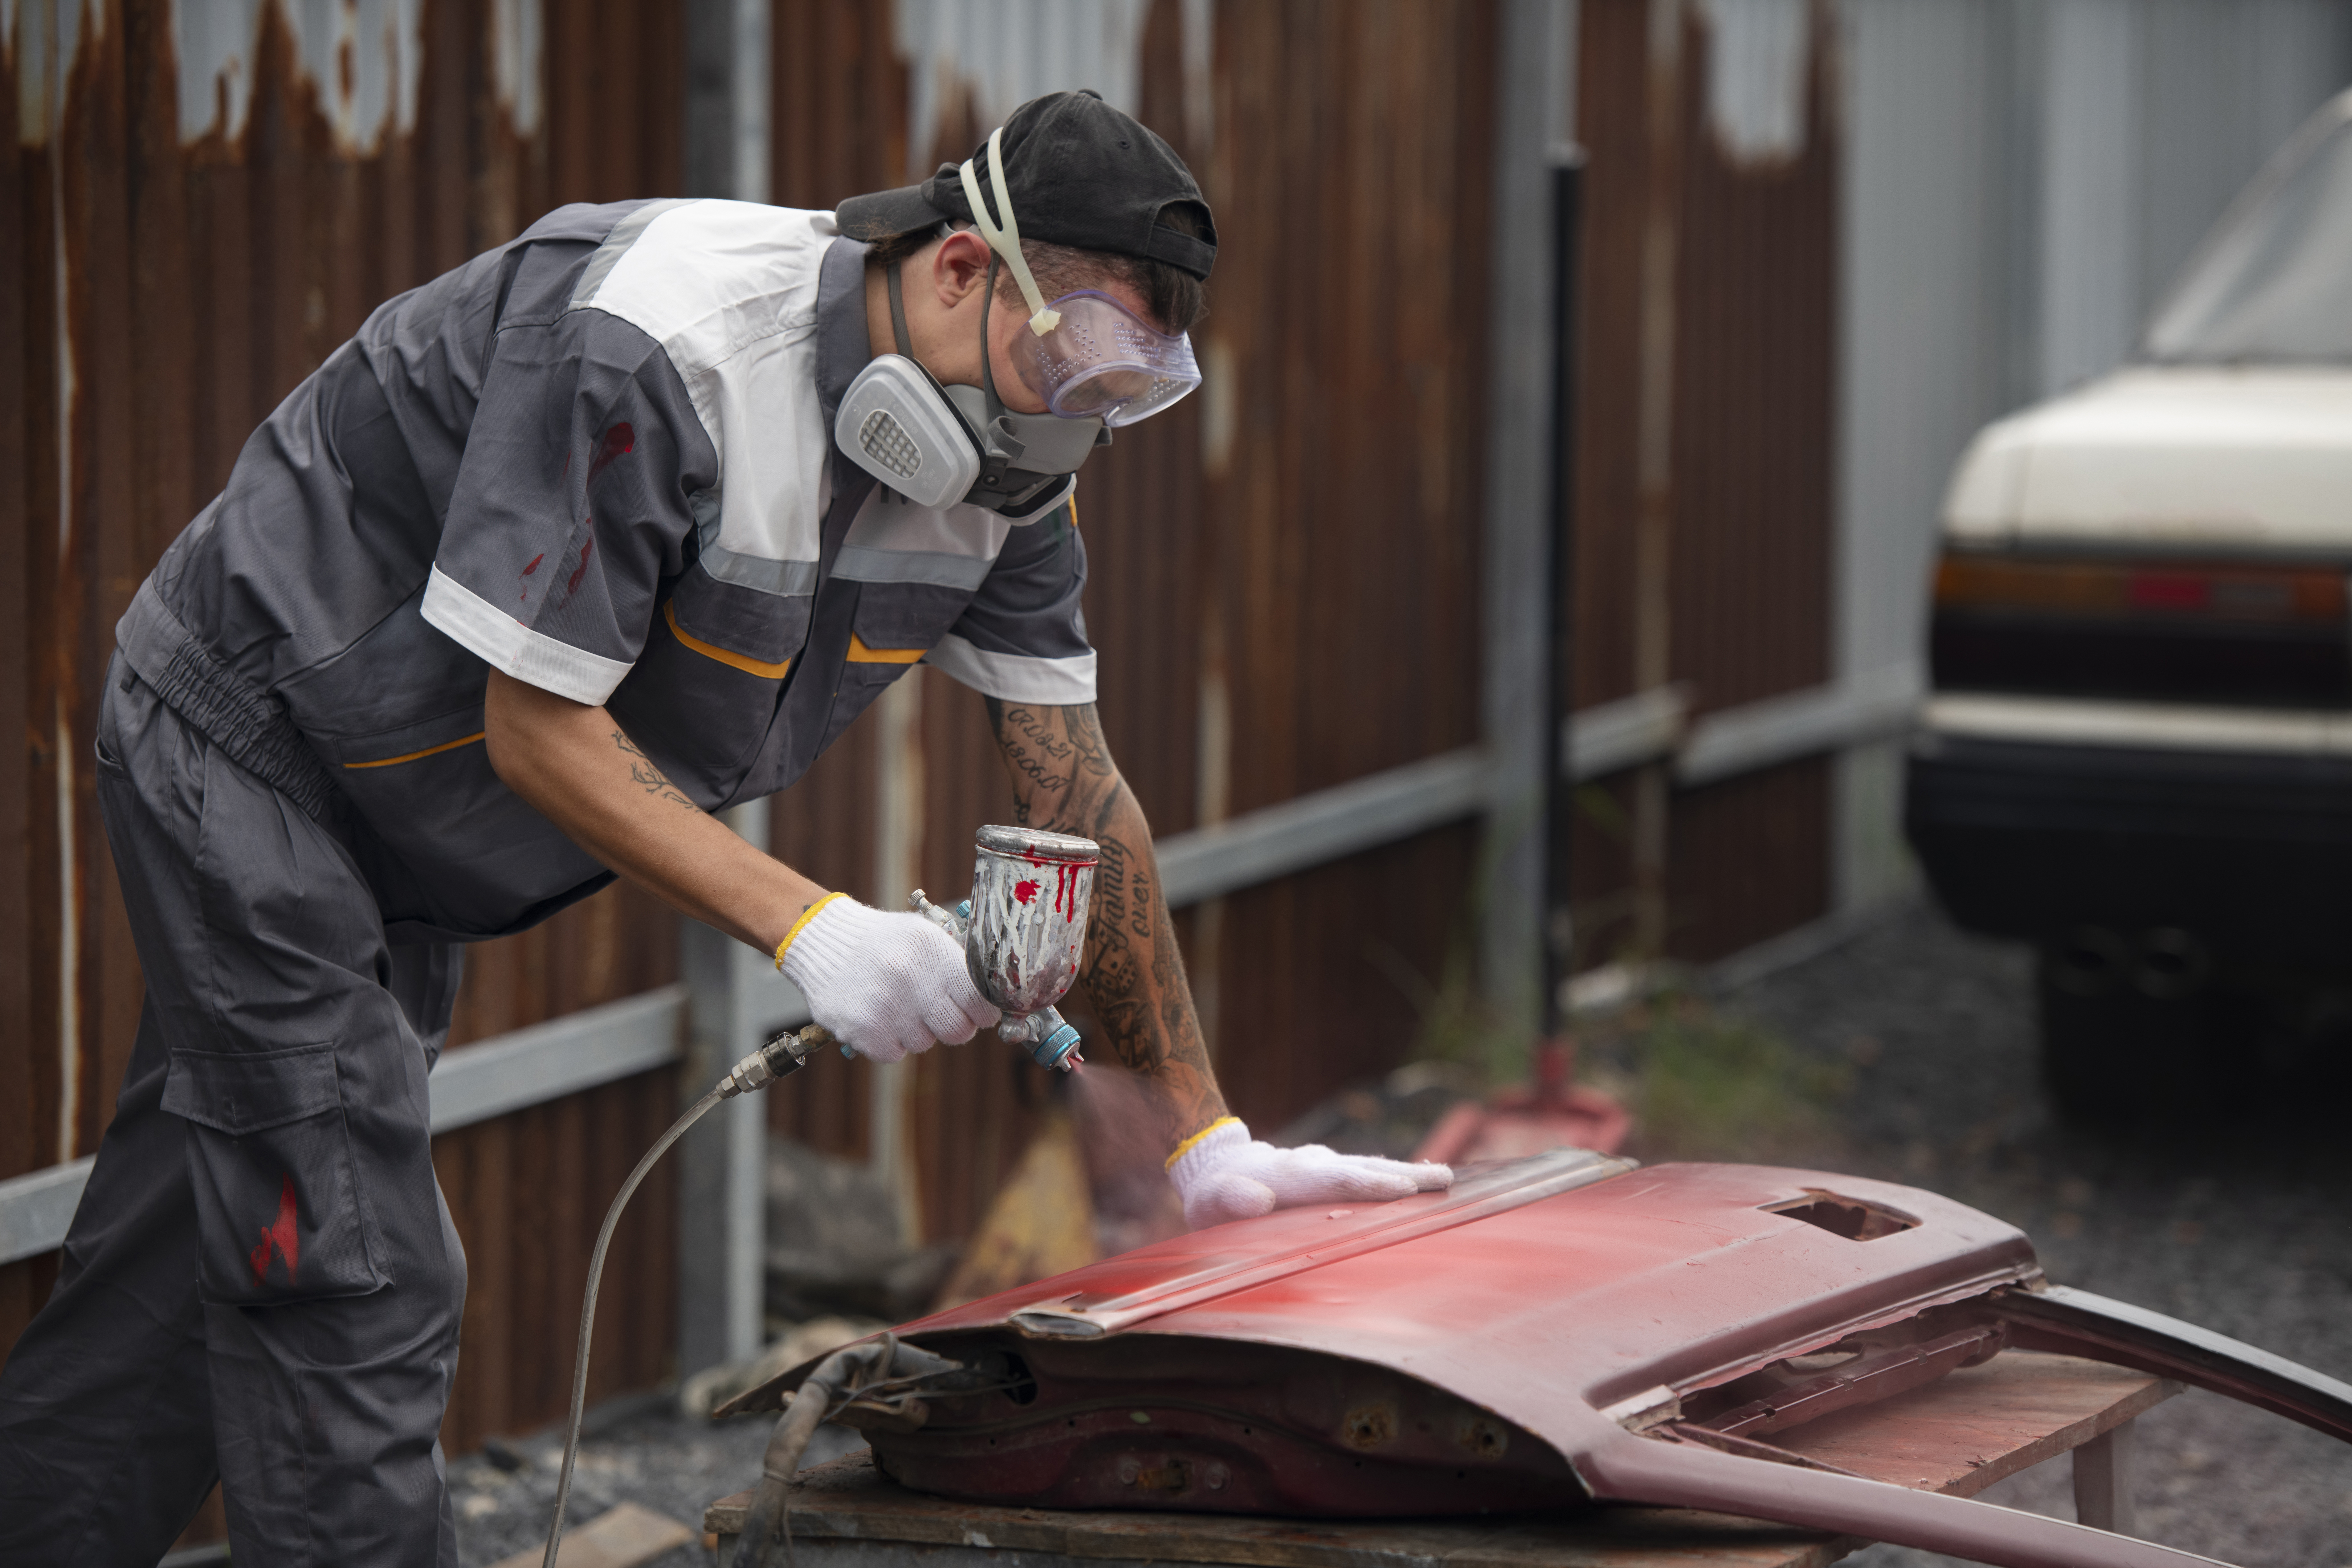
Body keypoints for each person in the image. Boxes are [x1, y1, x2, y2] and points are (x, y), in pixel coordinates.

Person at [0, 91, 1450, 1565]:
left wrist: (1199, 1133)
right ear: (960, 268)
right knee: (350, 1273)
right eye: (1071, 357)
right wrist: (812, 927)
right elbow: (537, 726)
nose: (1081, 413)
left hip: (407, 830)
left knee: (199, 1252)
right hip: (260, 746)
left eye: (1131, 386)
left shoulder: (1010, 485)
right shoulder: (660, 344)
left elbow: (1075, 786)